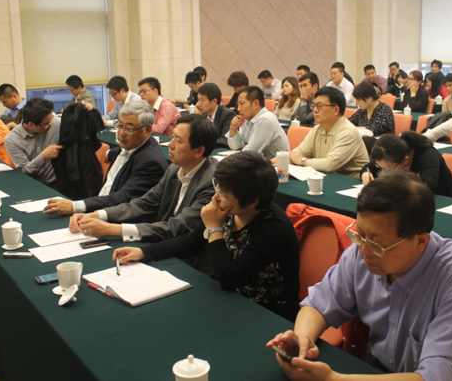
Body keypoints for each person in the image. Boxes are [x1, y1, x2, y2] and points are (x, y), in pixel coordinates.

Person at [267, 171, 452, 381]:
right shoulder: (362, 250)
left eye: (376, 243)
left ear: (420, 241)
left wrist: (335, 380)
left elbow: (440, 375)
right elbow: (320, 303)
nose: (364, 251)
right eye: (360, 235)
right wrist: (302, 340)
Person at [113, 151, 300, 320]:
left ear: (252, 201)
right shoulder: (230, 208)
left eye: (224, 193)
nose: (216, 196)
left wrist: (214, 227)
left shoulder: (274, 228)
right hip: (226, 297)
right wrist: (145, 252)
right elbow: (190, 242)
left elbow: (230, 279)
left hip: (264, 313)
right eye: (217, 187)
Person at [69, 114, 217, 243]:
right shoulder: (174, 169)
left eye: (178, 141)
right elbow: (144, 203)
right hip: (164, 244)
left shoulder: (212, 183)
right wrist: (97, 215)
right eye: (172, 137)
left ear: (199, 151)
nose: (170, 145)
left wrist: (111, 229)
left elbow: (177, 226)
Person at [45, 100, 168, 215]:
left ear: (147, 130)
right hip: (101, 206)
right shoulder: (130, 146)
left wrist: (75, 206)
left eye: (129, 128)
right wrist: (107, 153)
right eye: (120, 125)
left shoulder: (150, 163)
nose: (121, 133)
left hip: (116, 217)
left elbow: (122, 198)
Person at [290, 87, 368, 175]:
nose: (315, 110)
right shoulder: (317, 129)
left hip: (352, 181)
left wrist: (302, 161)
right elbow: (297, 152)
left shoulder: (348, 132)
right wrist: (293, 157)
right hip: (325, 177)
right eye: (314, 105)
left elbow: (330, 165)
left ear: (336, 110)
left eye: (320, 106)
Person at [361, 132, 452, 196]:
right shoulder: (387, 155)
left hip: (442, 198)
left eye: (387, 169)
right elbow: (369, 167)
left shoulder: (427, 155)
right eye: (379, 167)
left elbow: (427, 186)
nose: (383, 171)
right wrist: (366, 173)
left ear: (405, 161)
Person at [52, 103, 105, 200]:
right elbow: (99, 129)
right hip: (89, 197)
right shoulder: (89, 145)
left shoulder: (59, 151)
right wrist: (94, 111)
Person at [4, 98, 61, 185]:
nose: (50, 125)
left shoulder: (55, 123)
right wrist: (43, 156)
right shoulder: (12, 140)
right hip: (34, 184)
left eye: (51, 120)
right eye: (46, 124)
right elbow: (23, 172)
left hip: (60, 181)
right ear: (30, 125)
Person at [227, 86, 289, 159]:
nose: (238, 109)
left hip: (277, 164)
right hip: (261, 162)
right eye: (238, 104)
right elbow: (236, 147)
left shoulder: (266, 120)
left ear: (255, 104)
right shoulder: (247, 118)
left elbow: (250, 152)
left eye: (242, 103)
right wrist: (233, 128)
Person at [195, 82, 235, 148]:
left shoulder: (228, 115)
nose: (198, 104)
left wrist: (203, 143)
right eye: (198, 100)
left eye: (202, 100)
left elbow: (225, 140)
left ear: (214, 101)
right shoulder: (203, 115)